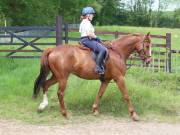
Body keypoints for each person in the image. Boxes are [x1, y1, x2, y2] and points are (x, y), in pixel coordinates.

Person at [79, 6, 107, 75]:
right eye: (92, 14)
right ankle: (98, 67)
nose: (93, 16)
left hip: (85, 39)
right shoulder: (87, 23)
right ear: (88, 15)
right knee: (103, 50)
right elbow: (89, 34)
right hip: (87, 40)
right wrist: (97, 37)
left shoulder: (84, 22)